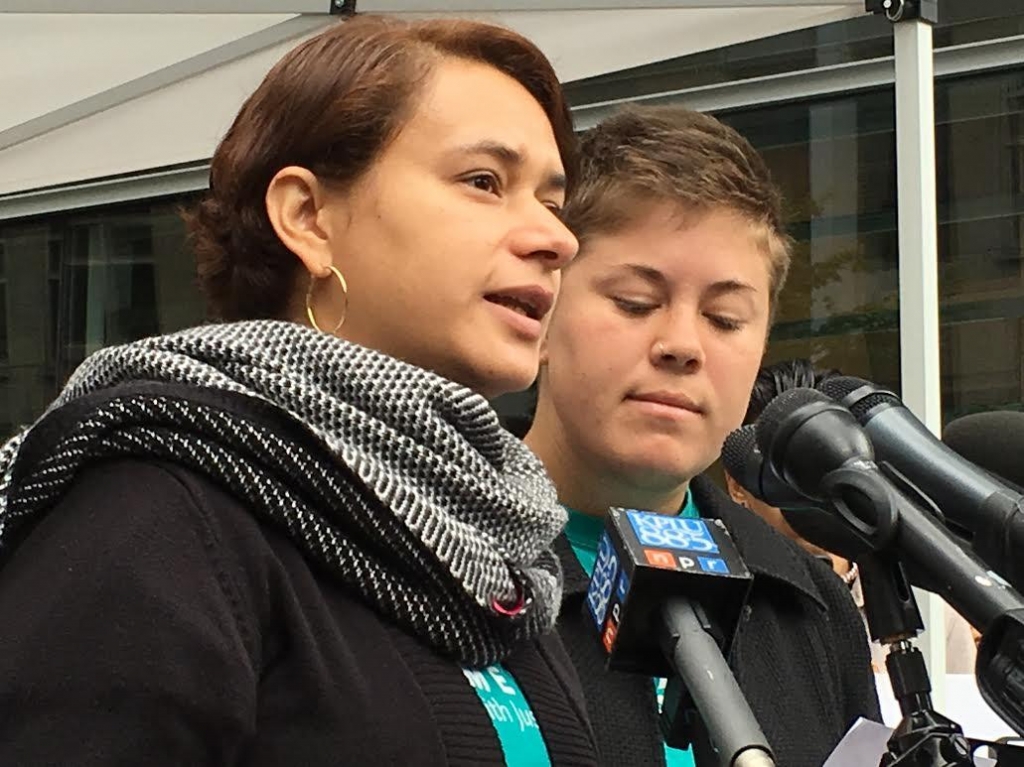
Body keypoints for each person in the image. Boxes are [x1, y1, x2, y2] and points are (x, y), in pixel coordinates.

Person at [0, 15, 598, 766]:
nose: (557, 238)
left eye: (552, 201)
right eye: (484, 182)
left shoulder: (505, 562)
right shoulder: (155, 510)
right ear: (308, 217)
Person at [523, 105, 881, 767]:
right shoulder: (432, 571)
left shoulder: (811, 606)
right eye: (634, 302)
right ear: (540, 308)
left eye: (724, 317)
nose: (683, 345)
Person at [726, 358, 980, 676]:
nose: (809, 485)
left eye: (822, 456)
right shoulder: (724, 601)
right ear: (738, 485)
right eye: (786, 468)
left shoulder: (930, 601)